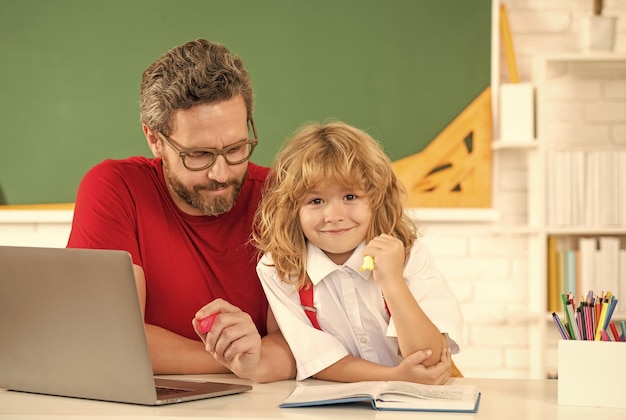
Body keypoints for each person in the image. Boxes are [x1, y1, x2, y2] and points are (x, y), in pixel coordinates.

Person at [66, 39, 294, 381]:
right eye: (198, 155)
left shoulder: (284, 197)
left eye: (236, 148)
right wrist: (244, 357)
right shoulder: (115, 188)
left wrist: (267, 354)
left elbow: (316, 343)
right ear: (154, 139)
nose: (221, 173)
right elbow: (111, 338)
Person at [253, 121, 464, 383]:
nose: (334, 216)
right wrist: (394, 376)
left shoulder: (410, 256)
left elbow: (430, 358)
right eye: (316, 201)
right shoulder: (280, 270)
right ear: (291, 209)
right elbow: (319, 360)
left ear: (377, 198)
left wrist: (393, 281)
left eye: (350, 196)